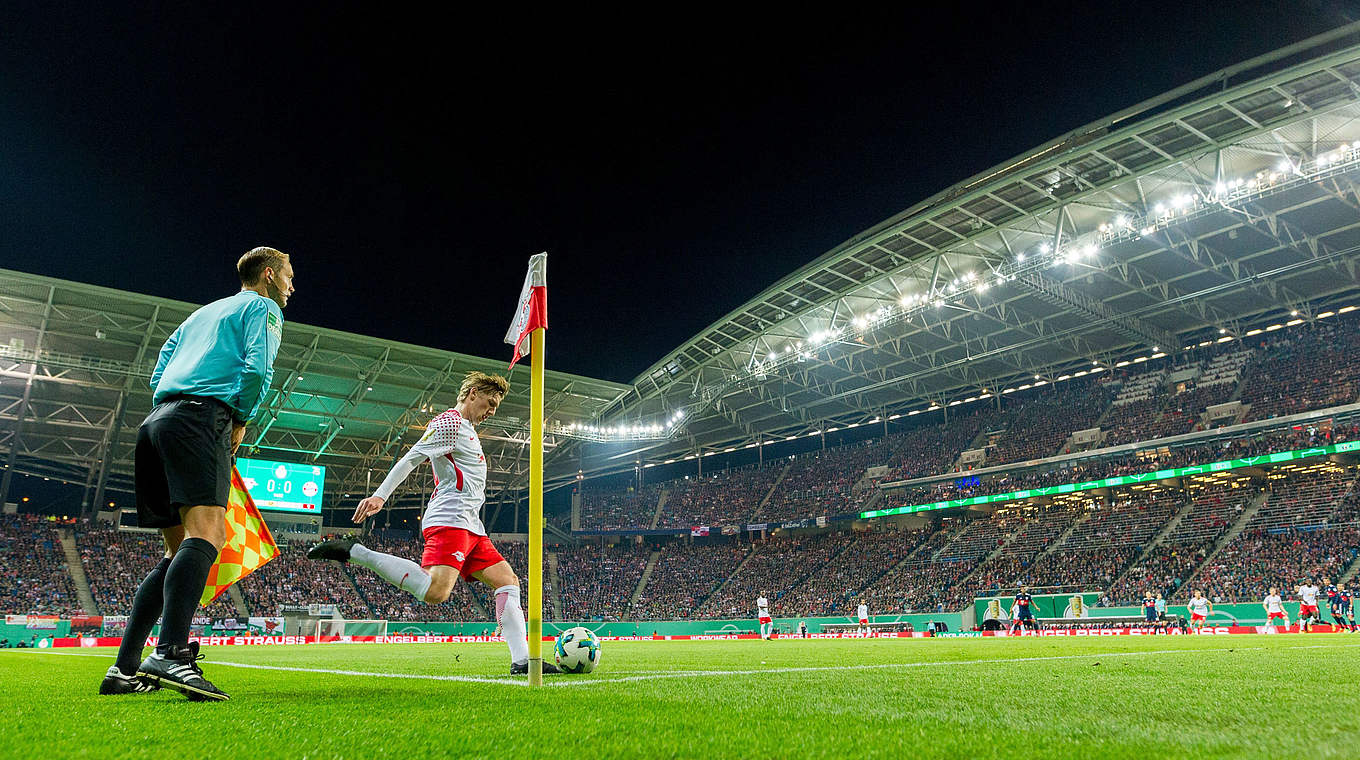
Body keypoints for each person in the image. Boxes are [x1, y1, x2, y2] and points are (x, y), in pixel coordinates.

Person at [101, 247, 293, 701]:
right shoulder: (262, 308)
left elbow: (158, 372)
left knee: (175, 554)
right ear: (268, 275)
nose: (291, 286)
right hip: (200, 418)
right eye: (288, 276)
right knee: (207, 534)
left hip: (157, 422)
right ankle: (170, 653)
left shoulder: (201, 314)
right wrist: (240, 417)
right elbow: (258, 368)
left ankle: (124, 668)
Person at [307, 372, 559, 675]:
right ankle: (356, 551)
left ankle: (522, 660)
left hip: (472, 525)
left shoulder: (466, 428)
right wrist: (380, 496)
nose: (492, 411)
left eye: (496, 406)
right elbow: (411, 458)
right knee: (436, 592)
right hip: (450, 519)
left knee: (508, 581)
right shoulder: (449, 423)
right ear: (473, 394)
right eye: (490, 403)